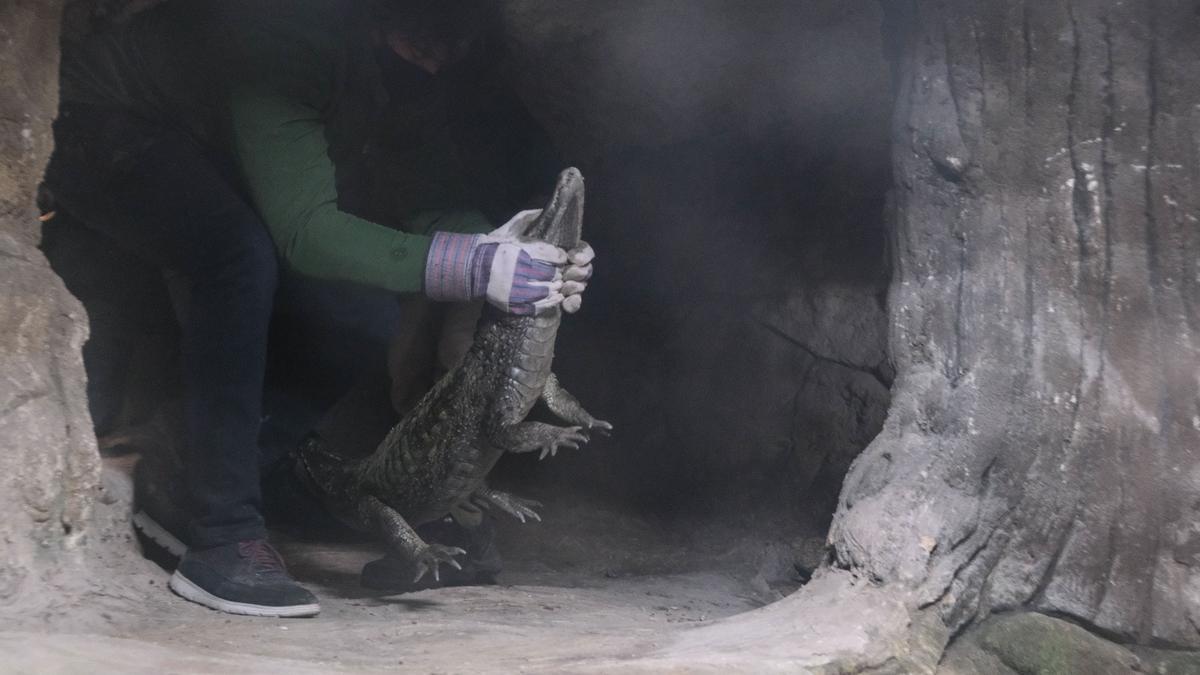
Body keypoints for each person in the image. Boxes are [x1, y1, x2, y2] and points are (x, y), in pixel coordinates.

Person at [41, 0, 592, 618]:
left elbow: (429, 192)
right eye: (419, 48)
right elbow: (305, 232)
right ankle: (219, 530)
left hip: (210, 136)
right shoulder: (288, 37)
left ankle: (212, 472)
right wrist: (476, 267)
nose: (431, 65)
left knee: (358, 317)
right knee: (237, 258)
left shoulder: (420, 67)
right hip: (100, 120)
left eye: (448, 54)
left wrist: (514, 250)